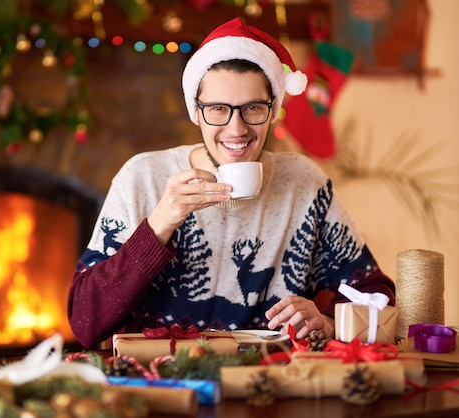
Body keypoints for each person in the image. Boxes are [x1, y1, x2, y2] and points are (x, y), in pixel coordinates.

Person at [67, 18, 395, 349]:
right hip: (159, 381)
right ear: (196, 111)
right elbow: (85, 323)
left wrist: (326, 320)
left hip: (269, 382)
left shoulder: (304, 184)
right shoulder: (142, 179)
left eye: (253, 108)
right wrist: (158, 225)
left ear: (272, 110)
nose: (236, 129)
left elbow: (376, 293)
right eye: (218, 109)